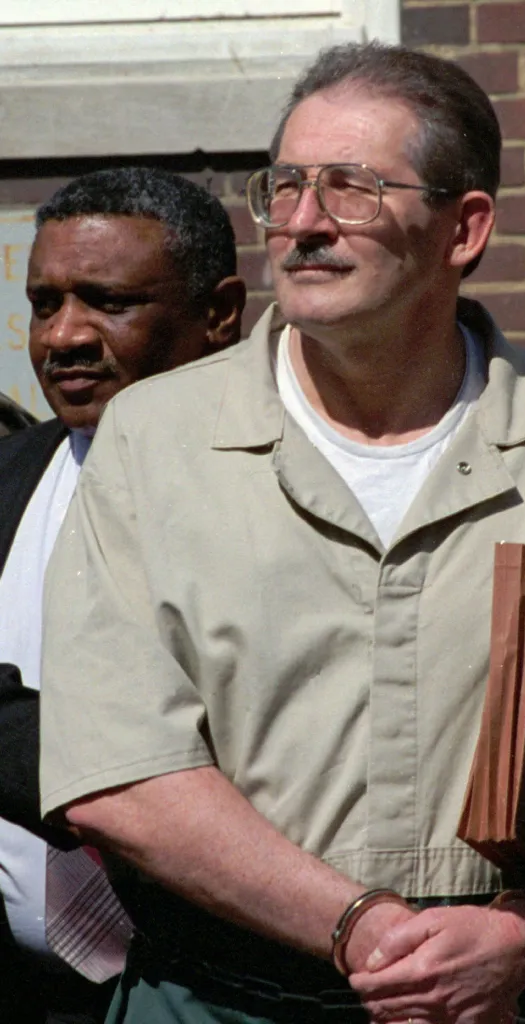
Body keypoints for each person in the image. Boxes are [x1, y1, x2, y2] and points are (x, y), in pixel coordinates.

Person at [39, 43, 525, 1024]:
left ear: (464, 227)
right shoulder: (155, 437)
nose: (302, 222)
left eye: (349, 188)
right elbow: (117, 772)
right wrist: (363, 928)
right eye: (288, 187)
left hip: (500, 995)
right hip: (220, 999)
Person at [0, 165, 245, 1024]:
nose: (63, 336)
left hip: (216, 993)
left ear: (219, 314)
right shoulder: (8, 479)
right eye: (43, 303)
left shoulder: (281, 499)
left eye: (108, 301)